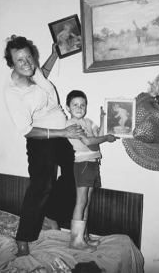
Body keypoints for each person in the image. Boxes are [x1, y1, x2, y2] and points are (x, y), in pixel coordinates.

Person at [3, 35, 85, 257]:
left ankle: (50, 214)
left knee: (76, 173)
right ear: (11, 63)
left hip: (60, 135)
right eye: (20, 60)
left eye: (29, 57)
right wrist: (63, 132)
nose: (27, 63)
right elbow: (27, 130)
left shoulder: (33, 71)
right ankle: (23, 238)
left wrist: (54, 54)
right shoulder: (12, 92)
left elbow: (43, 77)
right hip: (40, 139)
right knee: (41, 186)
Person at [65, 90, 119, 252]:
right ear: (68, 108)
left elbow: (99, 135)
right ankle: (75, 240)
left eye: (82, 105)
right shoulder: (71, 124)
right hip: (82, 164)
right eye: (75, 105)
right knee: (81, 201)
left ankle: (84, 236)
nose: (79, 108)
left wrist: (103, 120)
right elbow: (89, 141)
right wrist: (107, 139)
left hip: (93, 163)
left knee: (87, 202)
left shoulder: (88, 121)